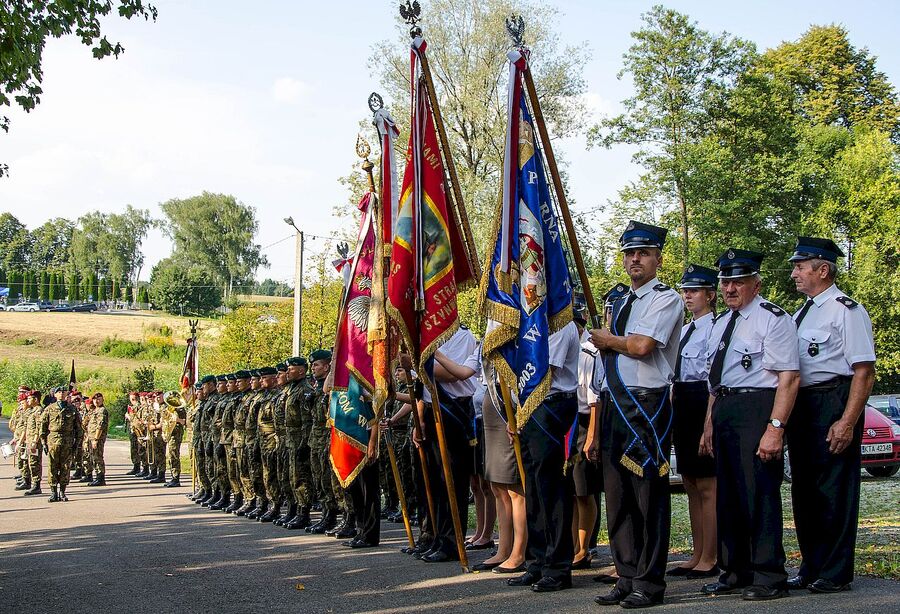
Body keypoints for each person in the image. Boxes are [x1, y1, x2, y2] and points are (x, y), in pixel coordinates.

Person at [591, 221, 684, 608]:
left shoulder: (666, 299)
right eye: (629, 253)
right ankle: (626, 575)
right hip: (614, 403)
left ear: (658, 259)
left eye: (643, 253)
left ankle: (650, 581)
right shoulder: (617, 300)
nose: (634, 259)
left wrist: (608, 339)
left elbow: (643, 346)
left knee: (648, 497)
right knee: (618, 497)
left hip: (646, 405)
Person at [699, 248, 800, 601]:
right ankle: (735, 569)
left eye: (738, 281)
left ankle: (769, 575)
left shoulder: (773, 319)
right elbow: (715, 379)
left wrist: (775, 427)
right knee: (729, 494)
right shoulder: (721, 323)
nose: (729, 288)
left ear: (756, 284)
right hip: (725, 405)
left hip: (757, 406)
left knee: (759, 493)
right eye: (725, 281)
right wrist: (709, 424)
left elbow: (788, 377)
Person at [786, 237, 876, 593]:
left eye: (800, 267)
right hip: (803, 405)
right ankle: (813, 564)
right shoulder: (800, 313)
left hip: (833, 401)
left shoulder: (846, 310)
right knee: (805, 490)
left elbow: (864, 371)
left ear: (823, 270)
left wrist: (848, 420)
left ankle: (836, 571)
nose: (794, 273)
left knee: (834, 490)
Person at [508, 317, 580, 592]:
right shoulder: (531, 322)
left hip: (553, 408)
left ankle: (558, 566)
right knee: (534, 491)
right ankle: (537, 561)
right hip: (530, 409)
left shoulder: (561, 324)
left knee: (553, 490)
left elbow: (541, 369)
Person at [667, 265, 719, 579]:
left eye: (695, 290)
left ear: (710, 295)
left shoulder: (717, 327)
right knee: (689, 483)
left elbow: (713, 377)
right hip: (682, 401)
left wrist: (708, 422)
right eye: (685, 290)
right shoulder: (685, 331)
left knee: (707, 485)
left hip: (703, 400)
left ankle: (711, 556)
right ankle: (697, 552)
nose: (688, 296)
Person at [412, 325, 477, 564]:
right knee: (435, 480)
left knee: (453, 478)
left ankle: (452, 541)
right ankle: (437, 537)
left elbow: (451, 374)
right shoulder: (428, 337)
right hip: (431, 409)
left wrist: (417, 364)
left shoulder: (462, 335)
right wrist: (419, 418)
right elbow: (423, 388)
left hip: (454, 409)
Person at [570, 310, 600, 571]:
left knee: (583, 490)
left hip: (583, 423)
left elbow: (593, 401)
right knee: (570, 490)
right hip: (567, 423)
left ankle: (584, 547)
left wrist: (591, 436)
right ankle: (572, 547)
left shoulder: (589, 353)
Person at [307, 350, 339, 533]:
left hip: (329, 437)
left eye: (316, 365)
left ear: (327, 366)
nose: (313, 368)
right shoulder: (315, 387)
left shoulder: (333, 384)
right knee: (320, 480)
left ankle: (345, 518)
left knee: (332, 480)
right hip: (316, 439)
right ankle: (327, 515)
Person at [282, 357, 315, 530]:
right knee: (292, 476)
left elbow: (307, 421)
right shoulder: (292, 389)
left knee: (301, 478)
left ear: (302, 371)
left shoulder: (305, 390)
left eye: (291, 369)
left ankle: (304, 513)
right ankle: (294, 509)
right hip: (290, 439)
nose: (288, 372)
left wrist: (304, 443)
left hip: (299, 439)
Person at [41, 387, 84, 502]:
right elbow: (43, 428)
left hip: (67, 441)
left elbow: (78, 428)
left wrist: (77, 443)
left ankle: (63, 491)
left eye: (63, 392)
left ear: (66, 394)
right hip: (53, 441)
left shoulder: (72, 409)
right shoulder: (49, 409)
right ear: (55, 395)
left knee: (66, 467)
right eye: (59, 392)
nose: (61, 394)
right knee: (52, 466)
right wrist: (43, 443)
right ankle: (53, 492)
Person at [87, 393, 110, 486]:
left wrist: (96, 439)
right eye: (95, 400)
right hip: (92, 438)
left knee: (98, 457)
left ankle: (100, 478)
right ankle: (97, 476)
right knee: (94, 457)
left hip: (97, 438)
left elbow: (100, 426)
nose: (96, 401)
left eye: (99, 399)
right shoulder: (95, 410)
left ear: (102, 400)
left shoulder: (102, 410)